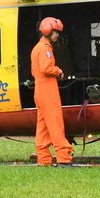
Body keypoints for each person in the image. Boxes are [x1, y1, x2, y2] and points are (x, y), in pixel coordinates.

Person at [31, 17, 73, 167]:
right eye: (56, 32)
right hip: (48, 90)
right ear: (48, 30)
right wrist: (58, 70)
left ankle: (43, 159)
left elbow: (35, 70)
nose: (57, 35)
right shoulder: (45, 48)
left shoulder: (37, 47)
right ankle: (63, 157)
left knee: (42, 125)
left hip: (39, 89)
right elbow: (46, 68)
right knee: (55, 123)